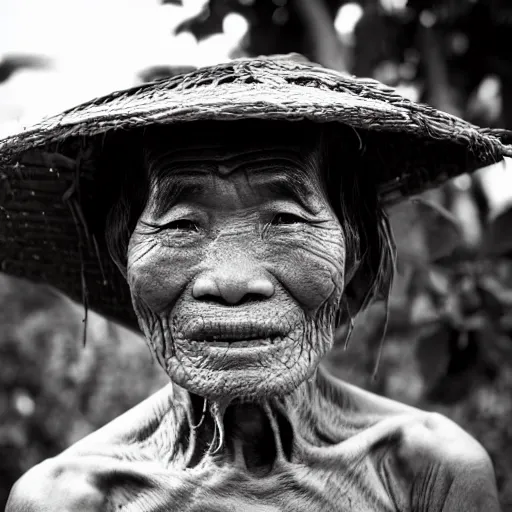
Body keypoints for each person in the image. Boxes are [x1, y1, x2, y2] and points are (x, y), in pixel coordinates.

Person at [1, 54, 510, 511]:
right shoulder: (65, 500)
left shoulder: (430, 473)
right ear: (123, 256)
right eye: (180, 225)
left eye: (286, 219)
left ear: (354, 256)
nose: (231, 282)